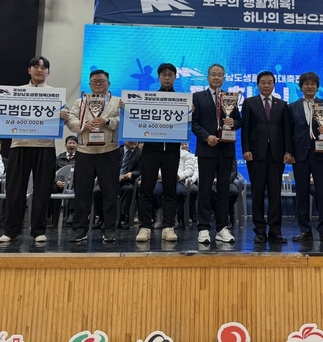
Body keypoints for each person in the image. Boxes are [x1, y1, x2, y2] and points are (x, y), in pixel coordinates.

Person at [0, 56, 59, 243]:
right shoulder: (15, 92)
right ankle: (11, 231)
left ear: (48, 72)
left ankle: (38, 231)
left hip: (45, 146)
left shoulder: (55, 94)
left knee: (42, 190)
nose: (39, 70)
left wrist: (63, 115)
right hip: (19, 145)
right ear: (29, 70)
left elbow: (61, 121)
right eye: (36, 67)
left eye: (43, 67)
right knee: (15, 189)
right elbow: (1, 115)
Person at [62, 69, 121, 243]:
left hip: (109, 151)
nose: (98, 84)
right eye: (95, 81)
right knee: (82, 192)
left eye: (102, 81)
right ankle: (80, 229)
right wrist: (84, 124)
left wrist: (106, 122)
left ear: (109, 84)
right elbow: (70, 120)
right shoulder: (80, 102)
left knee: (110, 193)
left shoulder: (117, 102)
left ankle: (109, 228)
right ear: (89, 84)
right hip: (84, 152)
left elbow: (123, 120)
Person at [191, 63, 241, 244]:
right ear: (208, 77)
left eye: (220, 75)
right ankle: (203, 228)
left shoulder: (230, 98)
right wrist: (206, 137)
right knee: (204, 190)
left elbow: (239, 120)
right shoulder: (197, 97)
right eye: (213, 74)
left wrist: (234, 123)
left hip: (226, 150)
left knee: (224, 190)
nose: (217, 77)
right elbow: (194, 123)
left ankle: (222, 228)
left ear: (224, 78)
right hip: (207, 149)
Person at [241, 70, 293, 244]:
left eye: (269, 82)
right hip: (256, 154)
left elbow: (287, 131)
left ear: (274, 85)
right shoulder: (249, 103)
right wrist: (246, 149)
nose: (266, 85)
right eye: (263, 82)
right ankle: (260, 231)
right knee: (257, 193)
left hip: (277, 154)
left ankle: (275, 231)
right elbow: (245, 129)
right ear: (258, 85)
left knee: (275, 193)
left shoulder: (282, 104)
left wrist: (288, 151)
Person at [135, 63, 182, 243]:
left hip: (172, 150)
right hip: (151, 149)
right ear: (159, 77)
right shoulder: (149, 98)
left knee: (170, 189)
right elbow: (137, 116)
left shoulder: (183, 100)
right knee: (146, 188)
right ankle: (145, 226)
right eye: (163, 74)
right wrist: (128, 107)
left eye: (170, 74)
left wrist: (190, 112)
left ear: (175, 77)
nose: (167, 77)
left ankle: (168, 226)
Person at [288, 71, 323, 243]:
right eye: (306, 84)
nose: (310, 86)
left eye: (313, 84)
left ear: (317, 86)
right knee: (301, 194)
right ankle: (305, 230)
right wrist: (289, 152)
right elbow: (288, 132)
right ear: (301, 87)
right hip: (300, 155)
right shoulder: (292, 107)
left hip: (321, 154)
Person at [92, 140, 142, 230]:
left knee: (127, 189)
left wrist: (131, 174)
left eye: (135, 140)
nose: (134, 142)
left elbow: (139, 170)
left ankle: (122, 219)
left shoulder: (140, 153)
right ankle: (101, 218)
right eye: (131, 140)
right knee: (97, 191)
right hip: (112, 180)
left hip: (127, 181)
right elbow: (106, 167)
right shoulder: (116, 151)